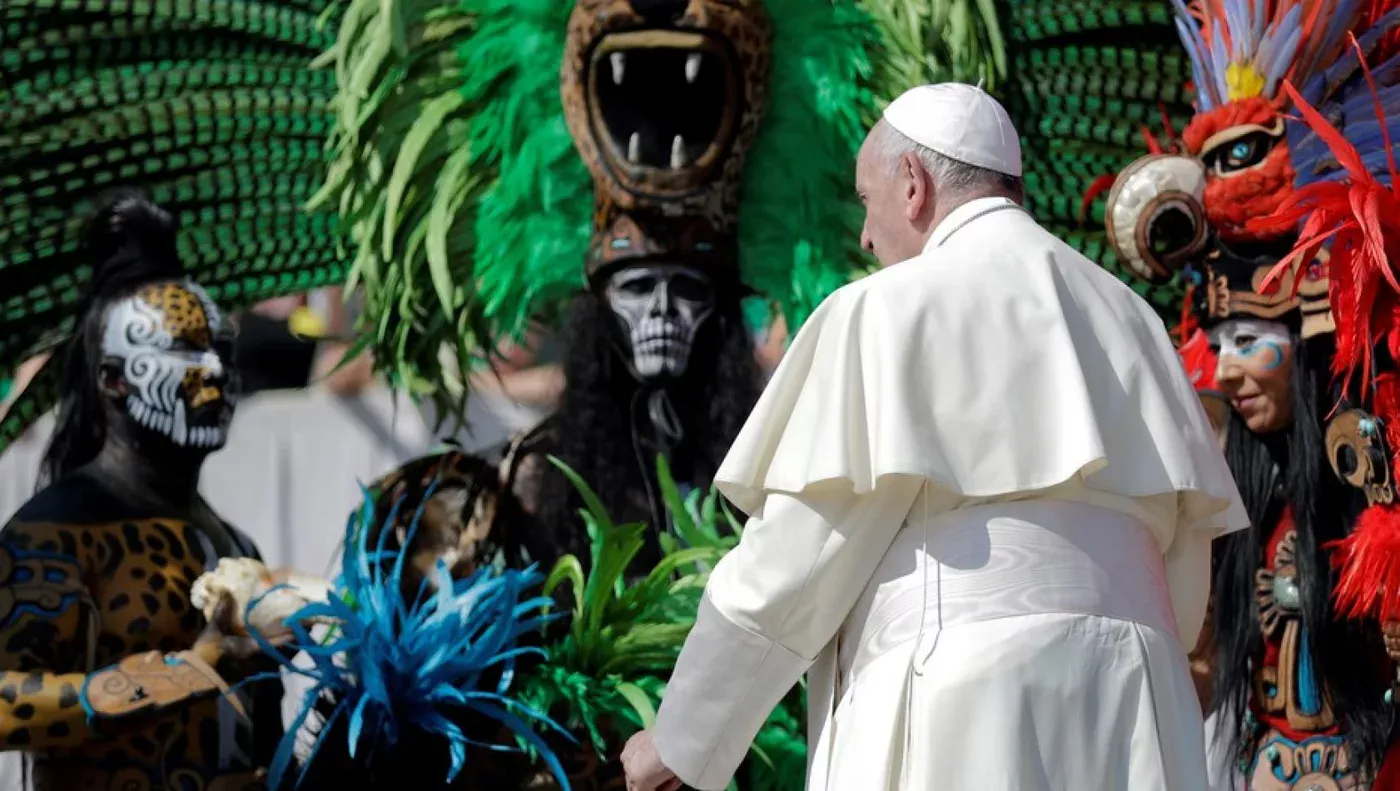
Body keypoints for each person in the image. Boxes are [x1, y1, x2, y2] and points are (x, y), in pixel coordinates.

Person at [620, 82, 1248, 791]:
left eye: (866, 199)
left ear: (912, 185)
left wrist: (684, 733)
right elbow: (1184, 587)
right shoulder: (1135, 322)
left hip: (968, 700)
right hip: (1139, 706)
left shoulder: (880, 310)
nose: (864, 234)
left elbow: (799, 555)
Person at [0, 192, 283, 789]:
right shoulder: (55, 534)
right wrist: (188, 671)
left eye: (222, 351)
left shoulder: (234, 544)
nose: (213, 372)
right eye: (182, 351)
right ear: (112, 380)